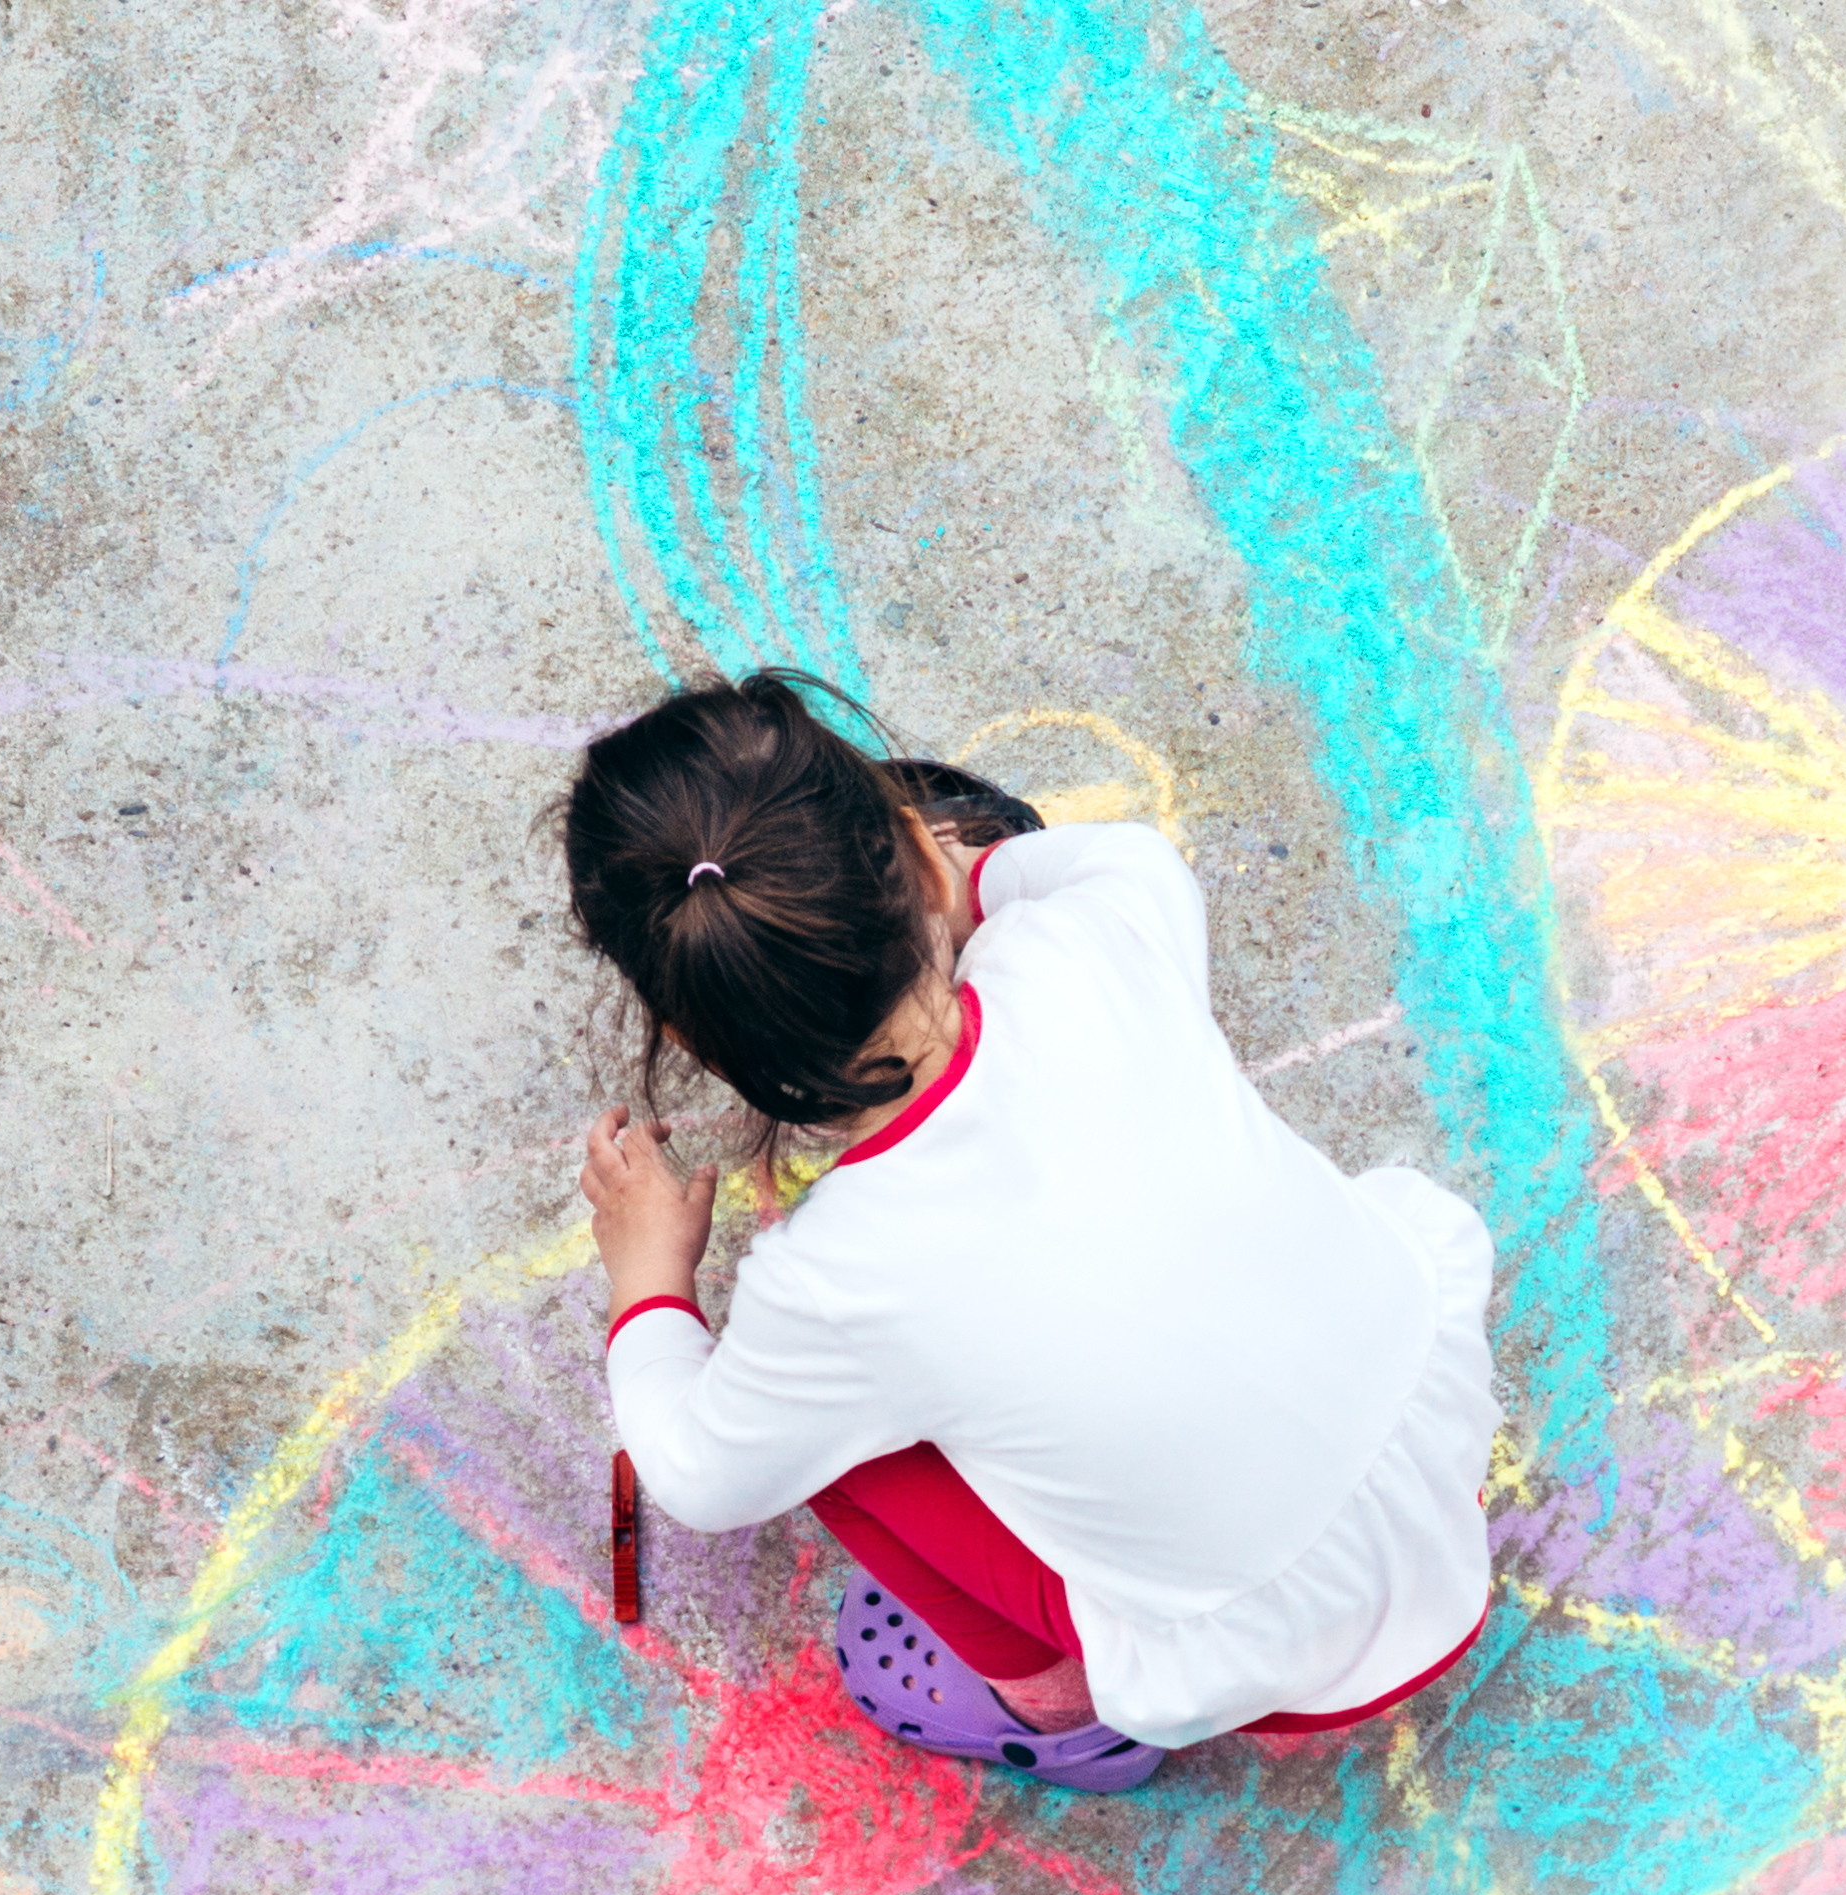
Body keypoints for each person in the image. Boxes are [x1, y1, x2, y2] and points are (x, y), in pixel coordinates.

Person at [564, 669, 1495, 1789]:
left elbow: (701, 1474)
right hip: (1429, 1437)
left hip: (1273, 1654)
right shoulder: (1091, 938)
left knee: (827, 1452)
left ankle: (1064, 1715)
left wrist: (648, 1277)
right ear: (920, 851)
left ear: (693, 1034)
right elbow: (1115, 854)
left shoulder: (830, 1285)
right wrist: (963, 874)